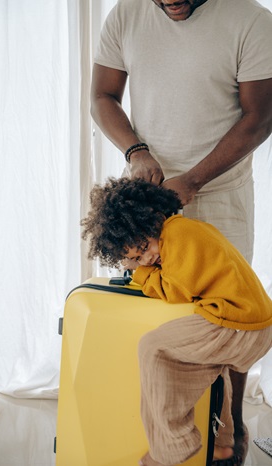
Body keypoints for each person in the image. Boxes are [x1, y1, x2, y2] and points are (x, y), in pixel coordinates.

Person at [90, 0, 272, 463]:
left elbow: (260, 116)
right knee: (169, 329)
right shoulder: (126, 16)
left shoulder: (250, 20)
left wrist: (193, 179)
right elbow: (102, 97)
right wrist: (136, 152)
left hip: (221, 191)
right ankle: (188, 431)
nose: (172, 1)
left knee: (226, 310)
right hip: (149, 201)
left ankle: (229, 429)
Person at [81, 177, 272, 466]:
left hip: (239, 323)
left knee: (153, 348)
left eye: (144, 246)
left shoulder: (178, 232)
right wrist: (145, 268)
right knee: (208, 369)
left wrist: (140, 274)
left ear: (153, 219)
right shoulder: (178, 235)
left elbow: (175, 291)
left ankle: (171, 448)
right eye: (136, 258)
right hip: (246, 323)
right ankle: (222, 444)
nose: (147, 258)